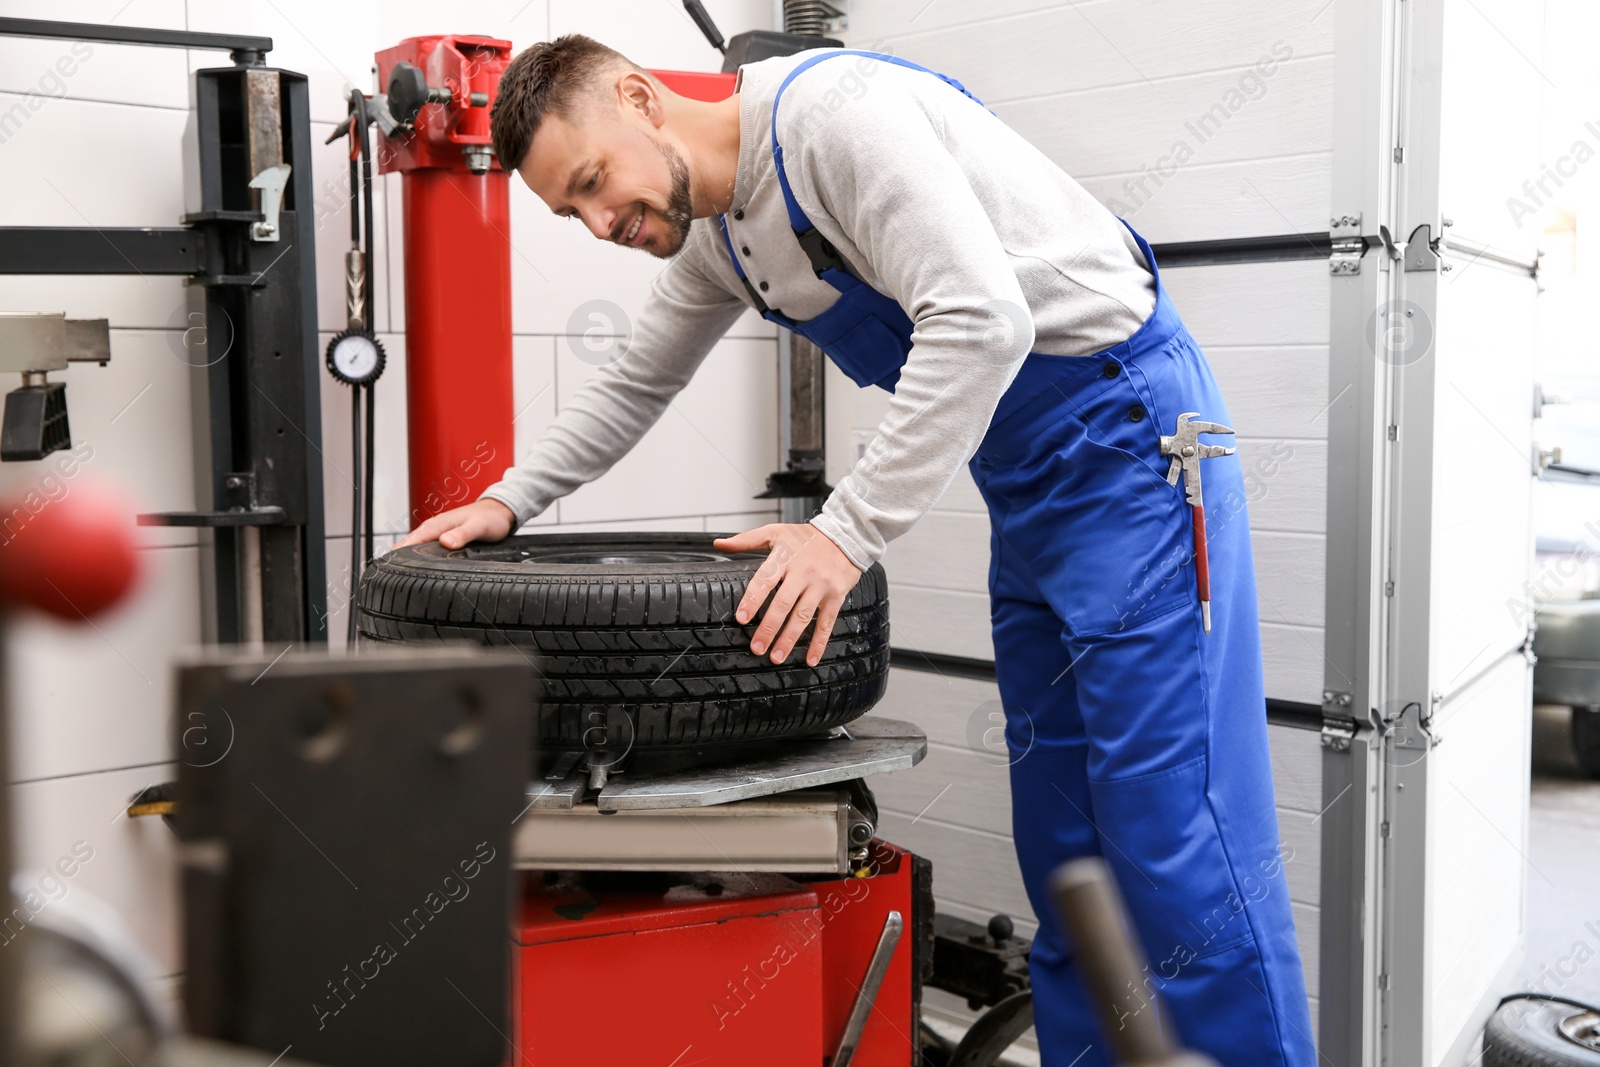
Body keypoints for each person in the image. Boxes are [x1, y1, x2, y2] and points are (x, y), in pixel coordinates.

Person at [396, 35, 1315, 1066]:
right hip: (1026, 486)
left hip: (1133, 448)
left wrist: (843, 532)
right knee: (1067, 845)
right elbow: (634, 385)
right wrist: (507, 502)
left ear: (640, 97)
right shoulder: (722, 237)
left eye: (595, 183)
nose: (602, 224)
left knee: (1178, 835)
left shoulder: (834, 121)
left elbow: (980, 317)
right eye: (574, 213)